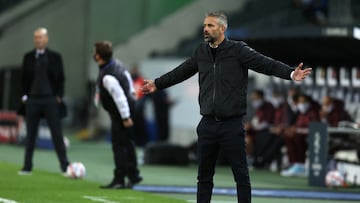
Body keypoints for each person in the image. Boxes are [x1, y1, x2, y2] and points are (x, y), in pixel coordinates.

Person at [141, 11, 312, 203]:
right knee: (203, 176)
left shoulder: (238, 51)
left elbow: (266, 64)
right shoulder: (201, 52)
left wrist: (290, 74)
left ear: (222, 29)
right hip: (207, 124)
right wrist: (157, 83)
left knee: (241, 175)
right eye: (205, 25)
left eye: (211, 26)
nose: (206, 29)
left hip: (231, 124)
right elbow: (181, 72)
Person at [18, 27, 70, 175]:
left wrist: (59, 96)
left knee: (57, 134)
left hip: (50, 99)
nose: (38, 40)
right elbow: (23, 79)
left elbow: (61, 78)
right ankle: (27, 166)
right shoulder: (28, 57)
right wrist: (24, 96)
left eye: (40, 37)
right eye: (35, 37)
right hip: (33, 100)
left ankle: (65, 166)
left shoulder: (55, 57)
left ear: (46, 39)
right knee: (30, 135)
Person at [93, 41, 142, 189]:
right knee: (127, 143)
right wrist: (133, 95)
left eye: (94, 51)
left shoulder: (108, 76)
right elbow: (127, 78)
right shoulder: (116, 64)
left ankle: (119, 179)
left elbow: (119, 97)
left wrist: (125, 117)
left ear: (98, 55)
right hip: (128, 107)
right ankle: (133, 175)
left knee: (118, 145)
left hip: (121, 112)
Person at [281, 93, 320, 177]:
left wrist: (297, 130)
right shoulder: (301, 113)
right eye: (300, 102)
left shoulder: (314, 113)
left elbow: (316, 128)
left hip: (312, 136)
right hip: (300, 135)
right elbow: (297, 125)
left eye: (304, 101)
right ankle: (295, 164)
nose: (301, 104)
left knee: (297, 137)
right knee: (288, 136)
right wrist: (292, 129)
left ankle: (301, 165)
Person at [244, 90, 275, 169]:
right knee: (245, 138)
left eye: (256, 98)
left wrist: (252, 126)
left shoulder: (269, 106)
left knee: (249, 140)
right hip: (254, 131)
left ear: (261, 97)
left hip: (266, 132)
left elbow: (266, 123)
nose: (254, 101)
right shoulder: (255, 108)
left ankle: (254, 159)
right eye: (253, 99)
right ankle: (248, 158)